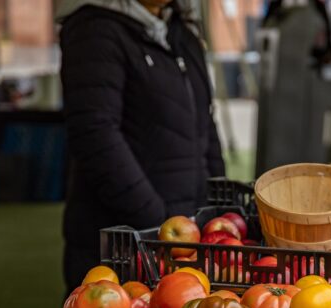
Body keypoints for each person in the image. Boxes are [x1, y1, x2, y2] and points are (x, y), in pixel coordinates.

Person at [57, 0, 225, 290]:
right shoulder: (95, 31)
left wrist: (218, 208)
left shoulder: (182, 35)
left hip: (186, 235)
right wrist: (154, 220)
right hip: (123, 242)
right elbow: (95, 135)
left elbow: (206, 127)